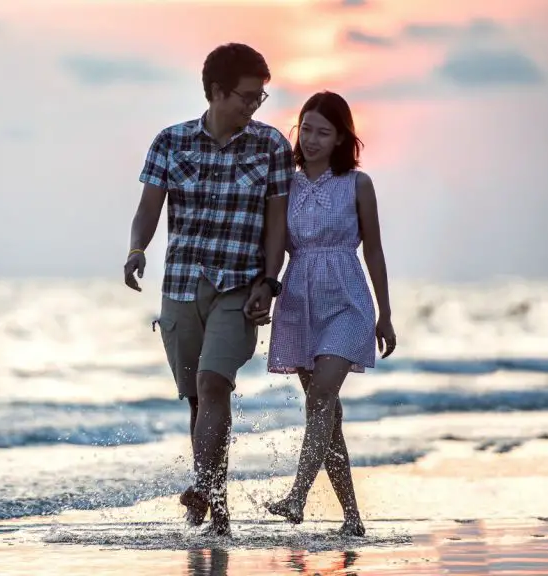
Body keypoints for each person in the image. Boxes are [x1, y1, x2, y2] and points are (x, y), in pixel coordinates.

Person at [123, 43, 294, 536]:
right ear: (217, 92)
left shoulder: (271, 146)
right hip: (181, 285)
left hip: (239, 287)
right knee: (199, 401)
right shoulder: (170, 142)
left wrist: (269, 280)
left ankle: (204, 492)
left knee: (214, 383)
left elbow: (276, 225)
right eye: (246, 97)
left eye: (260, 98)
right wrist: (137, 250)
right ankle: (216, 509)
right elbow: (148, 209)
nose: (254, 106)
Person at [264, 91, 397, 536]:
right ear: (297, 129)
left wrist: (386, 313)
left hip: (347, 301)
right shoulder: (285, 181)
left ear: (342, 138)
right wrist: (261, 291)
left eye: (325, 132)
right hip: (299, 301)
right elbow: (275, 246)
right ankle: (353, 519)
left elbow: (375, 250)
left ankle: (297, 497)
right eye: (307, 128)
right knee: (327, 414)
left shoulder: (358, 184)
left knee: (321, 398)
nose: (314, 139)